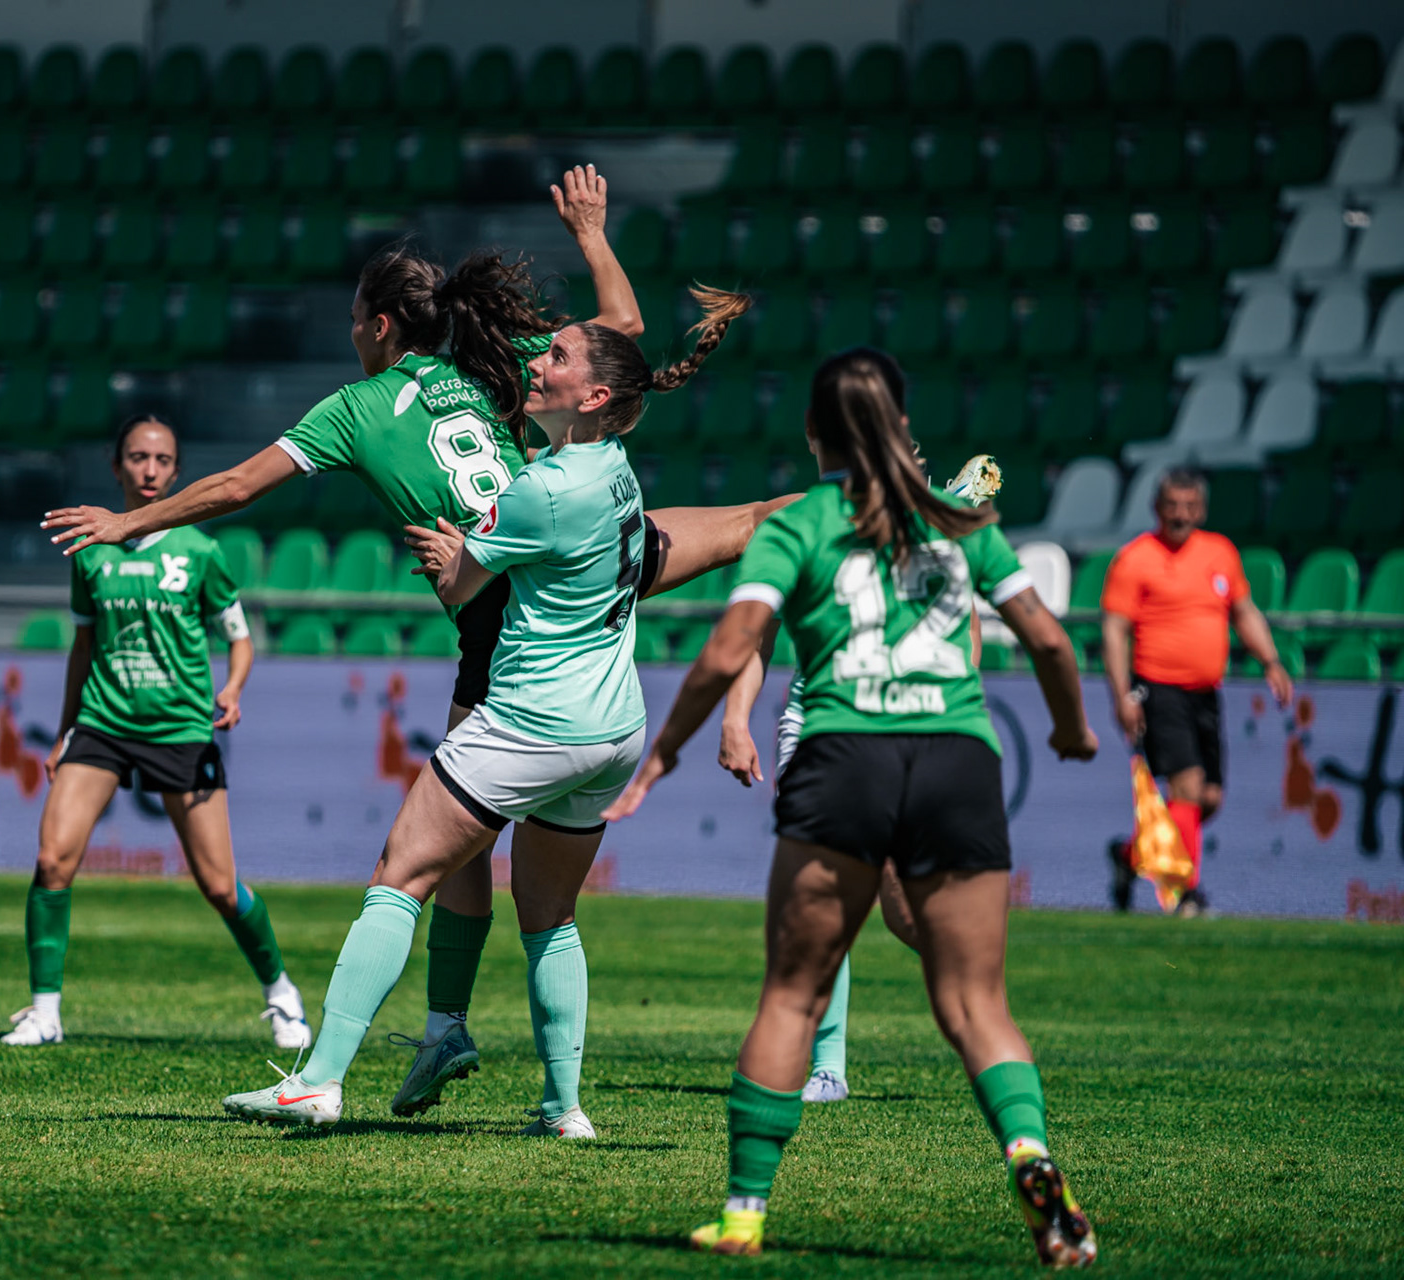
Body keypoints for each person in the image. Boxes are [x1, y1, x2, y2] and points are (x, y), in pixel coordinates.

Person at [43, 167, 786, 1117]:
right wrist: (593, 235)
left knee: (415, 859)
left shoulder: (355, 410)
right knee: (502, 869)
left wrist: (128, 523)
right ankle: (489, 1058)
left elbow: (232, 489)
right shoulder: (495, 360)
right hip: (588, 576)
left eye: (356, 319)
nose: (352, 334)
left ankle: (340, 1073)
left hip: (506, 617)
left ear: (379, 326)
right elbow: (622, 340)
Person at [605, 348, 1100, 1266]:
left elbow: (726, 653)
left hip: (843, 753)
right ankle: (1030, 1157)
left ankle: (746, 1211)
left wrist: (661, 757)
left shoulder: (799, 523)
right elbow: (1047, 638)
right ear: (904, 429)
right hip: (955, 759)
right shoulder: (960, 520)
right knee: (975, 1000)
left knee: (793, 992)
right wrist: (1072, 730)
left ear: (813, 435)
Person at [214, 291, 749, 1134]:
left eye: (560, 359)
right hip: (614, 730)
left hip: (534, 722)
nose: (540, 363)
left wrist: (444, 555)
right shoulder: (613, 471)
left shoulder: (540, 487)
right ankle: (563, 1106)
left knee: (401, 876)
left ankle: (318, 1080)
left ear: (595, 397)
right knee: (551, 918)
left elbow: (467, 583)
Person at [1, 416, 311, 1049]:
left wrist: (232, 687)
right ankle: (44, 1011)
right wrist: (64, 733)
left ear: (176, 471)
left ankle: (282, 993)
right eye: (137, 458)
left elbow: (240, 638)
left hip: (180, 729)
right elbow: (82, 647)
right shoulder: (90, 550)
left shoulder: (201, 552)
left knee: (221, 887)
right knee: (52, 859)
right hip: (103, 724)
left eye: (162, 460)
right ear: (117, 468)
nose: (149, 469)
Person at [717, 454, 998, 1104]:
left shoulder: (927, 527)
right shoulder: (798, 521)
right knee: (822, 892)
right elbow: (756, 632)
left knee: (905, 911)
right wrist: (736, 717)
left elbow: (969, 629)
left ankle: (979, 1013)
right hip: (818, 722)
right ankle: (827, 1067)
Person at [1101, 467, 1293, 915]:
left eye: (1189, 506)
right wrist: (1122, 694)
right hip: (1158, 687)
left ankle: (1129, 858)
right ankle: (1184, 893)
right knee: (1186, 787)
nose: (1181, 515)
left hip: (1206, 692)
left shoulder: (1220, 553)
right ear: (1157, 508)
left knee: (1208, 799)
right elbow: (1114, 632)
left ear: (1202, 509)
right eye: (1172, 506)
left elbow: (1244, 612)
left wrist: (1271, 661)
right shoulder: (1135, 558)